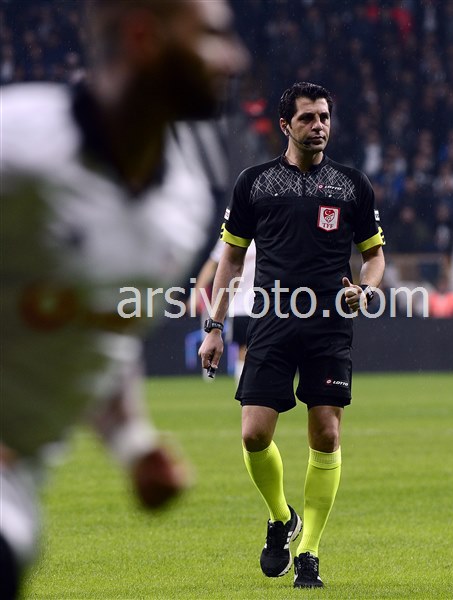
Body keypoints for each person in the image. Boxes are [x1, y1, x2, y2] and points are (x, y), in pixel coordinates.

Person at [0, 1, 247, 598]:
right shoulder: (17, 145)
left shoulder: (181, 205)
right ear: (144, 37)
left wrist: (134, 445)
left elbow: (102, 339)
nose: (234, 58)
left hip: (15, 496)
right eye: (211, 35)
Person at [199, 82, 385, 588]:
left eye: (324, 117)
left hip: (329, 326)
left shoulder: (351, 185)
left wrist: (366, 291)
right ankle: (282, 517)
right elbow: (231, 261)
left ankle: (310, 552)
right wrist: (214, 326)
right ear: (285, 125)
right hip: (272, 322)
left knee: (326, 433)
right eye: (307, 118)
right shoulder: (254, 183)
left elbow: (374, 257)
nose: (318, 126)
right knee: (253, 434)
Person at [190, 237, 256, 381]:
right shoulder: (234, 234)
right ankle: (244, 390)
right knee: (244, 351)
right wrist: (196, 293)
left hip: (269, 304)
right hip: (240, 306)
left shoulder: (270, 232)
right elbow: (212, 264)